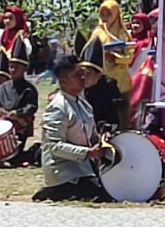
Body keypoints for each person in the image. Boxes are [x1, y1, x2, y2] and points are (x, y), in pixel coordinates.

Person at [32, 55, 109, 202]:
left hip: (84, 168)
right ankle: (53, 191)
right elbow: (54, 146)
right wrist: (88, 153)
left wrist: (102, 140)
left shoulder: (83, 104)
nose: (83, 78)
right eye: (77, 75)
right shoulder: (58, 107)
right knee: (101, 194)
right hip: (64, 172)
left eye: (83, 74)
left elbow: (91, 136)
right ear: (64, 80)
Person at [91, 0, 135, 128]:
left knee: (122, 112)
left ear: (115, 14)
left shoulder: (123, 33)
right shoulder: (97, 33)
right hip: (103, 79)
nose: (105, 17)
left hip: (121, 80)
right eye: (102, 13)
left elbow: (129, 55)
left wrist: (115, 58)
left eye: (108, 13)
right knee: (105, 111)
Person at [78, 34, 128, 135]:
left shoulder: (108, 90)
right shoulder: (76, 86)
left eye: (88, 74)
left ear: (99, 75)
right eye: (81, 73)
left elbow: (113, 120)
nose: (83, 77)